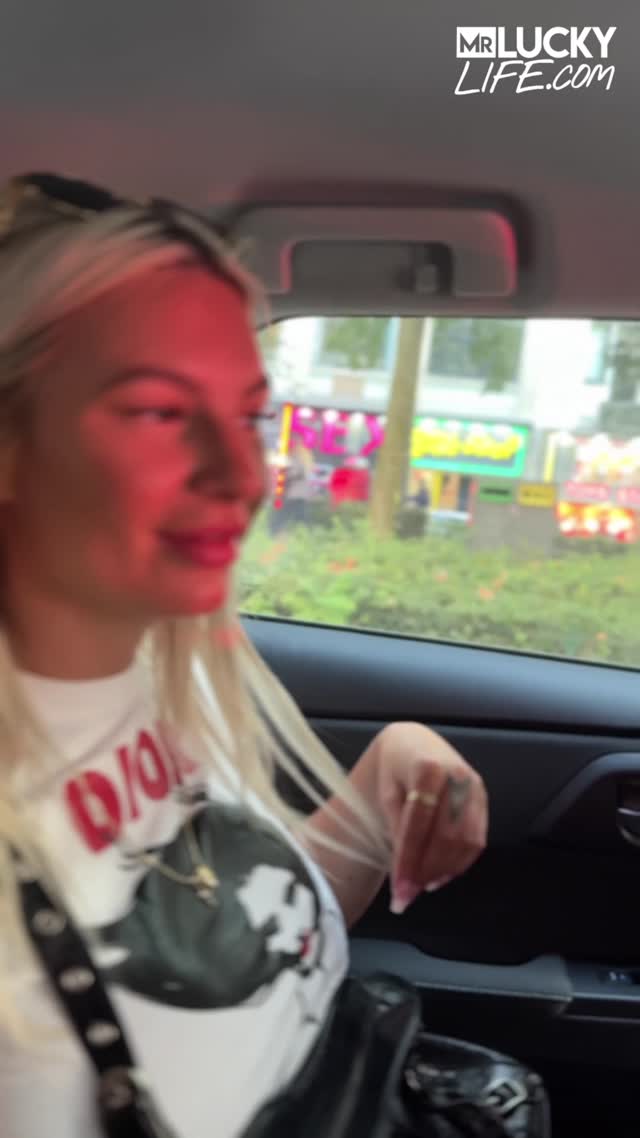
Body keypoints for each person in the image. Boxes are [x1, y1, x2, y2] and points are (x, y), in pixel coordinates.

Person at [0, 173, 488, 1138]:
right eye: (157, 412)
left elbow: (245, 956)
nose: (243, 476)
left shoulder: (166, 671)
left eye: (247, 417)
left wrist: (379, 782)